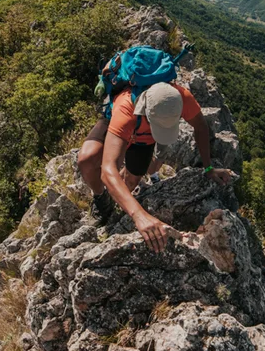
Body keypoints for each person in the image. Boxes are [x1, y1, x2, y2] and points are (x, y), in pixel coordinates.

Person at [78, 81, 233, 253]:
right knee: (87, 160)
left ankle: (119, 200)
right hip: (120, 123)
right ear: (146, 111)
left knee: (132, 180)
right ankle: (101, 198)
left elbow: (201, 127)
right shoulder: (126, 108)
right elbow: (108, 170)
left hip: (144, 140)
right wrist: (140, 216)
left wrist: (208, 168)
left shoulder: (181, 98)